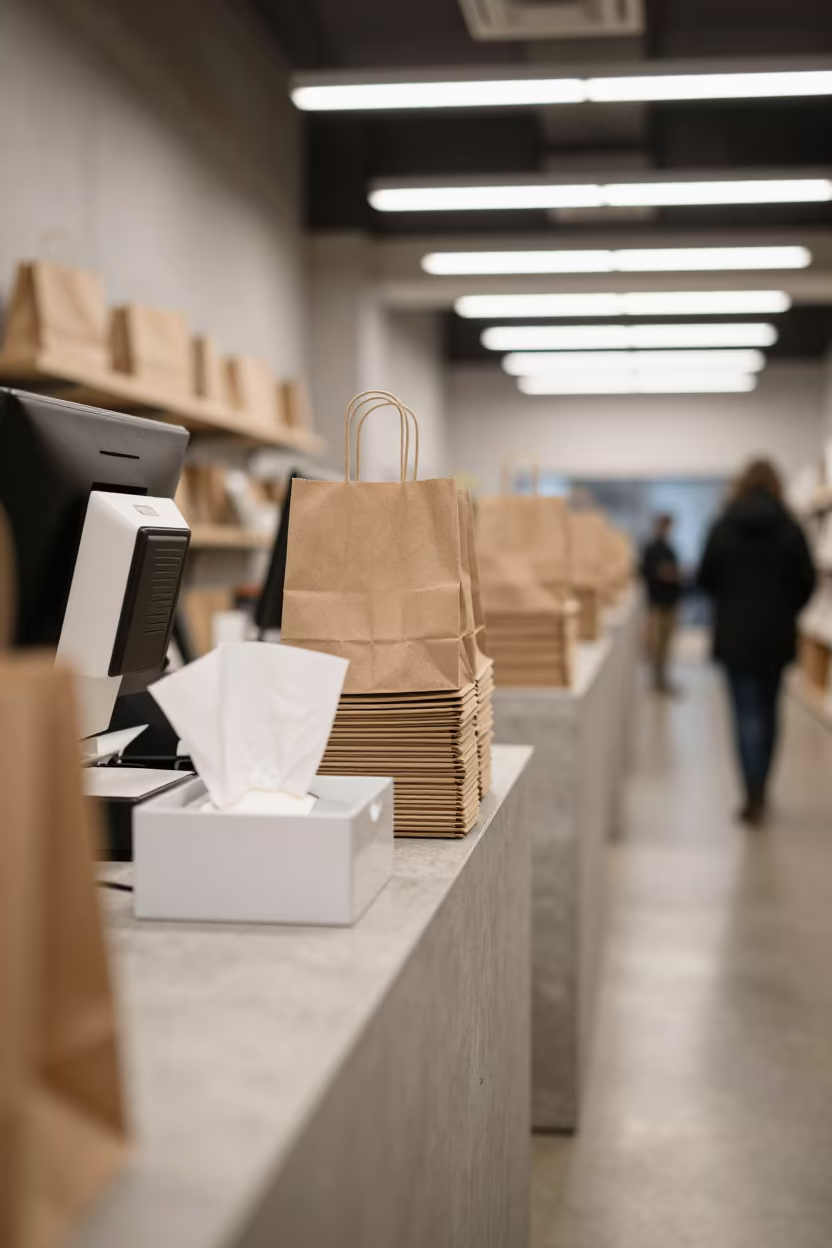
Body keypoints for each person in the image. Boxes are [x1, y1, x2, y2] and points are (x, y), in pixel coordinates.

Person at [698, 459, 816, 827]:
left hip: (735, 635)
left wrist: (731, 601)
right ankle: (762, 785)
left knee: (744, 714)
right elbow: (807, 582)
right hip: (777, 635)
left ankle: (750, 792)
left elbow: (705, 578)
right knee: (769, 713)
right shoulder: (791, 528)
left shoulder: (723, 526)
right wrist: (784, 609)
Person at [641, 513, 683, 694]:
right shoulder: (651, 549)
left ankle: (662, 679)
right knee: (656, 644)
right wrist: (660, 573)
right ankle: (657, 680)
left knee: (666, 644)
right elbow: (644, 572)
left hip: (670, 602)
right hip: (657, 602)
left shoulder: (670, 549)